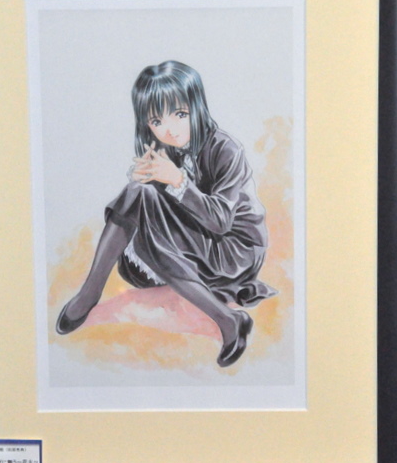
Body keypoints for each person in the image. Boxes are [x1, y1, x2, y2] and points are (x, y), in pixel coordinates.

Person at [56, 60, 276, 367]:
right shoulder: (164, 148)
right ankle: (91, 293)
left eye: (180, 115)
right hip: (195, 235)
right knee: (138, 193)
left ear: (197, 107)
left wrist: (176, 180)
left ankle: (91, 293)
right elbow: (161, 206)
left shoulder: (226, 149)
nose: (170, 130)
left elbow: (220, 221)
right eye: (157, 121)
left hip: (233, 248)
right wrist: (149, 180)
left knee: (143, 211)